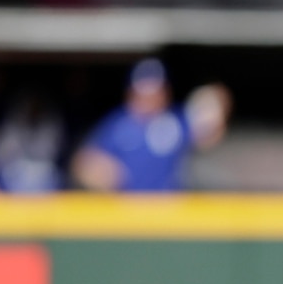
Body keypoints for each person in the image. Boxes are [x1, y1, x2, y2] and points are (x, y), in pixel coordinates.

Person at [72, 58, 230, 192]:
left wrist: (214, 104)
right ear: (132, 93)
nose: (149, 99)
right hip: (126, 210)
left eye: (155, 92)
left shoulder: (175, 120)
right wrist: (99, 172)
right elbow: (84, 162)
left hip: (167, 209)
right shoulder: (118, 123)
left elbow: (207, 136)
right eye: (143, 92)